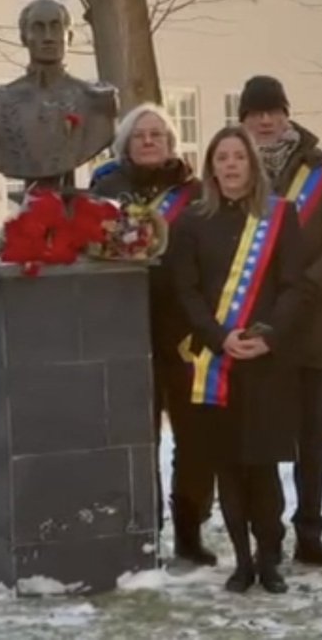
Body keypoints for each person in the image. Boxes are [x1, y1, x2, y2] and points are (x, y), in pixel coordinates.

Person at [170, 126, 304, 594]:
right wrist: (219, 337)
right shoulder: (190, 222)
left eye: (238, 158)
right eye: (221, 158)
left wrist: (268, 336)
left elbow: (294, 287)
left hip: (266, 361)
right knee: (227, 466)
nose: (230, 165)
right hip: (215, 363)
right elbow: (184, 291)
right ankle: (241, 562)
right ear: (211, 168)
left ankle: (270, 559)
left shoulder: (281, 217)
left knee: (263, 467)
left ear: (252, 165)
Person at [238, 75, 322, 565]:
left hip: (309, 320)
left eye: (273, 111)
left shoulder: (321, 170)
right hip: (254, 323)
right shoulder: (233, 167)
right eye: (255, 113)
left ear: (287, 114)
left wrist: (308, 287)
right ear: (243, 121)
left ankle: (310, 532)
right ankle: (267, 534)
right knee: (263, 434)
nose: (265, 121)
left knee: (311, 438)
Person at [91, 104, 211, 565]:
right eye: (139, 135)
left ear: (170, 142)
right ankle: (146, 528)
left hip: (184, 329)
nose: (148, 141)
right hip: (126, 329)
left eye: (157, 134)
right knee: (139, 437)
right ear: (124, 144)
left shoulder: (197, 192)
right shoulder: (105, 190)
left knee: (194, 437)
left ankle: (189, 531)